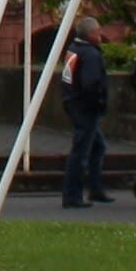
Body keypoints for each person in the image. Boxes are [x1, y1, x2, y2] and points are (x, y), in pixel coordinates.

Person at [57, 26, 113, 208]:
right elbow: (90, 83)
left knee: (97, 146)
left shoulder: (73, 49)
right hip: (85, 108)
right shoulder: (90, 55)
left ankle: (95, 188)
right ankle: (72, 195)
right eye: (97, 31)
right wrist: (98, 102)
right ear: (89, 34)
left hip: (73, 103)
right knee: (80, 151)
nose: (99, 34)